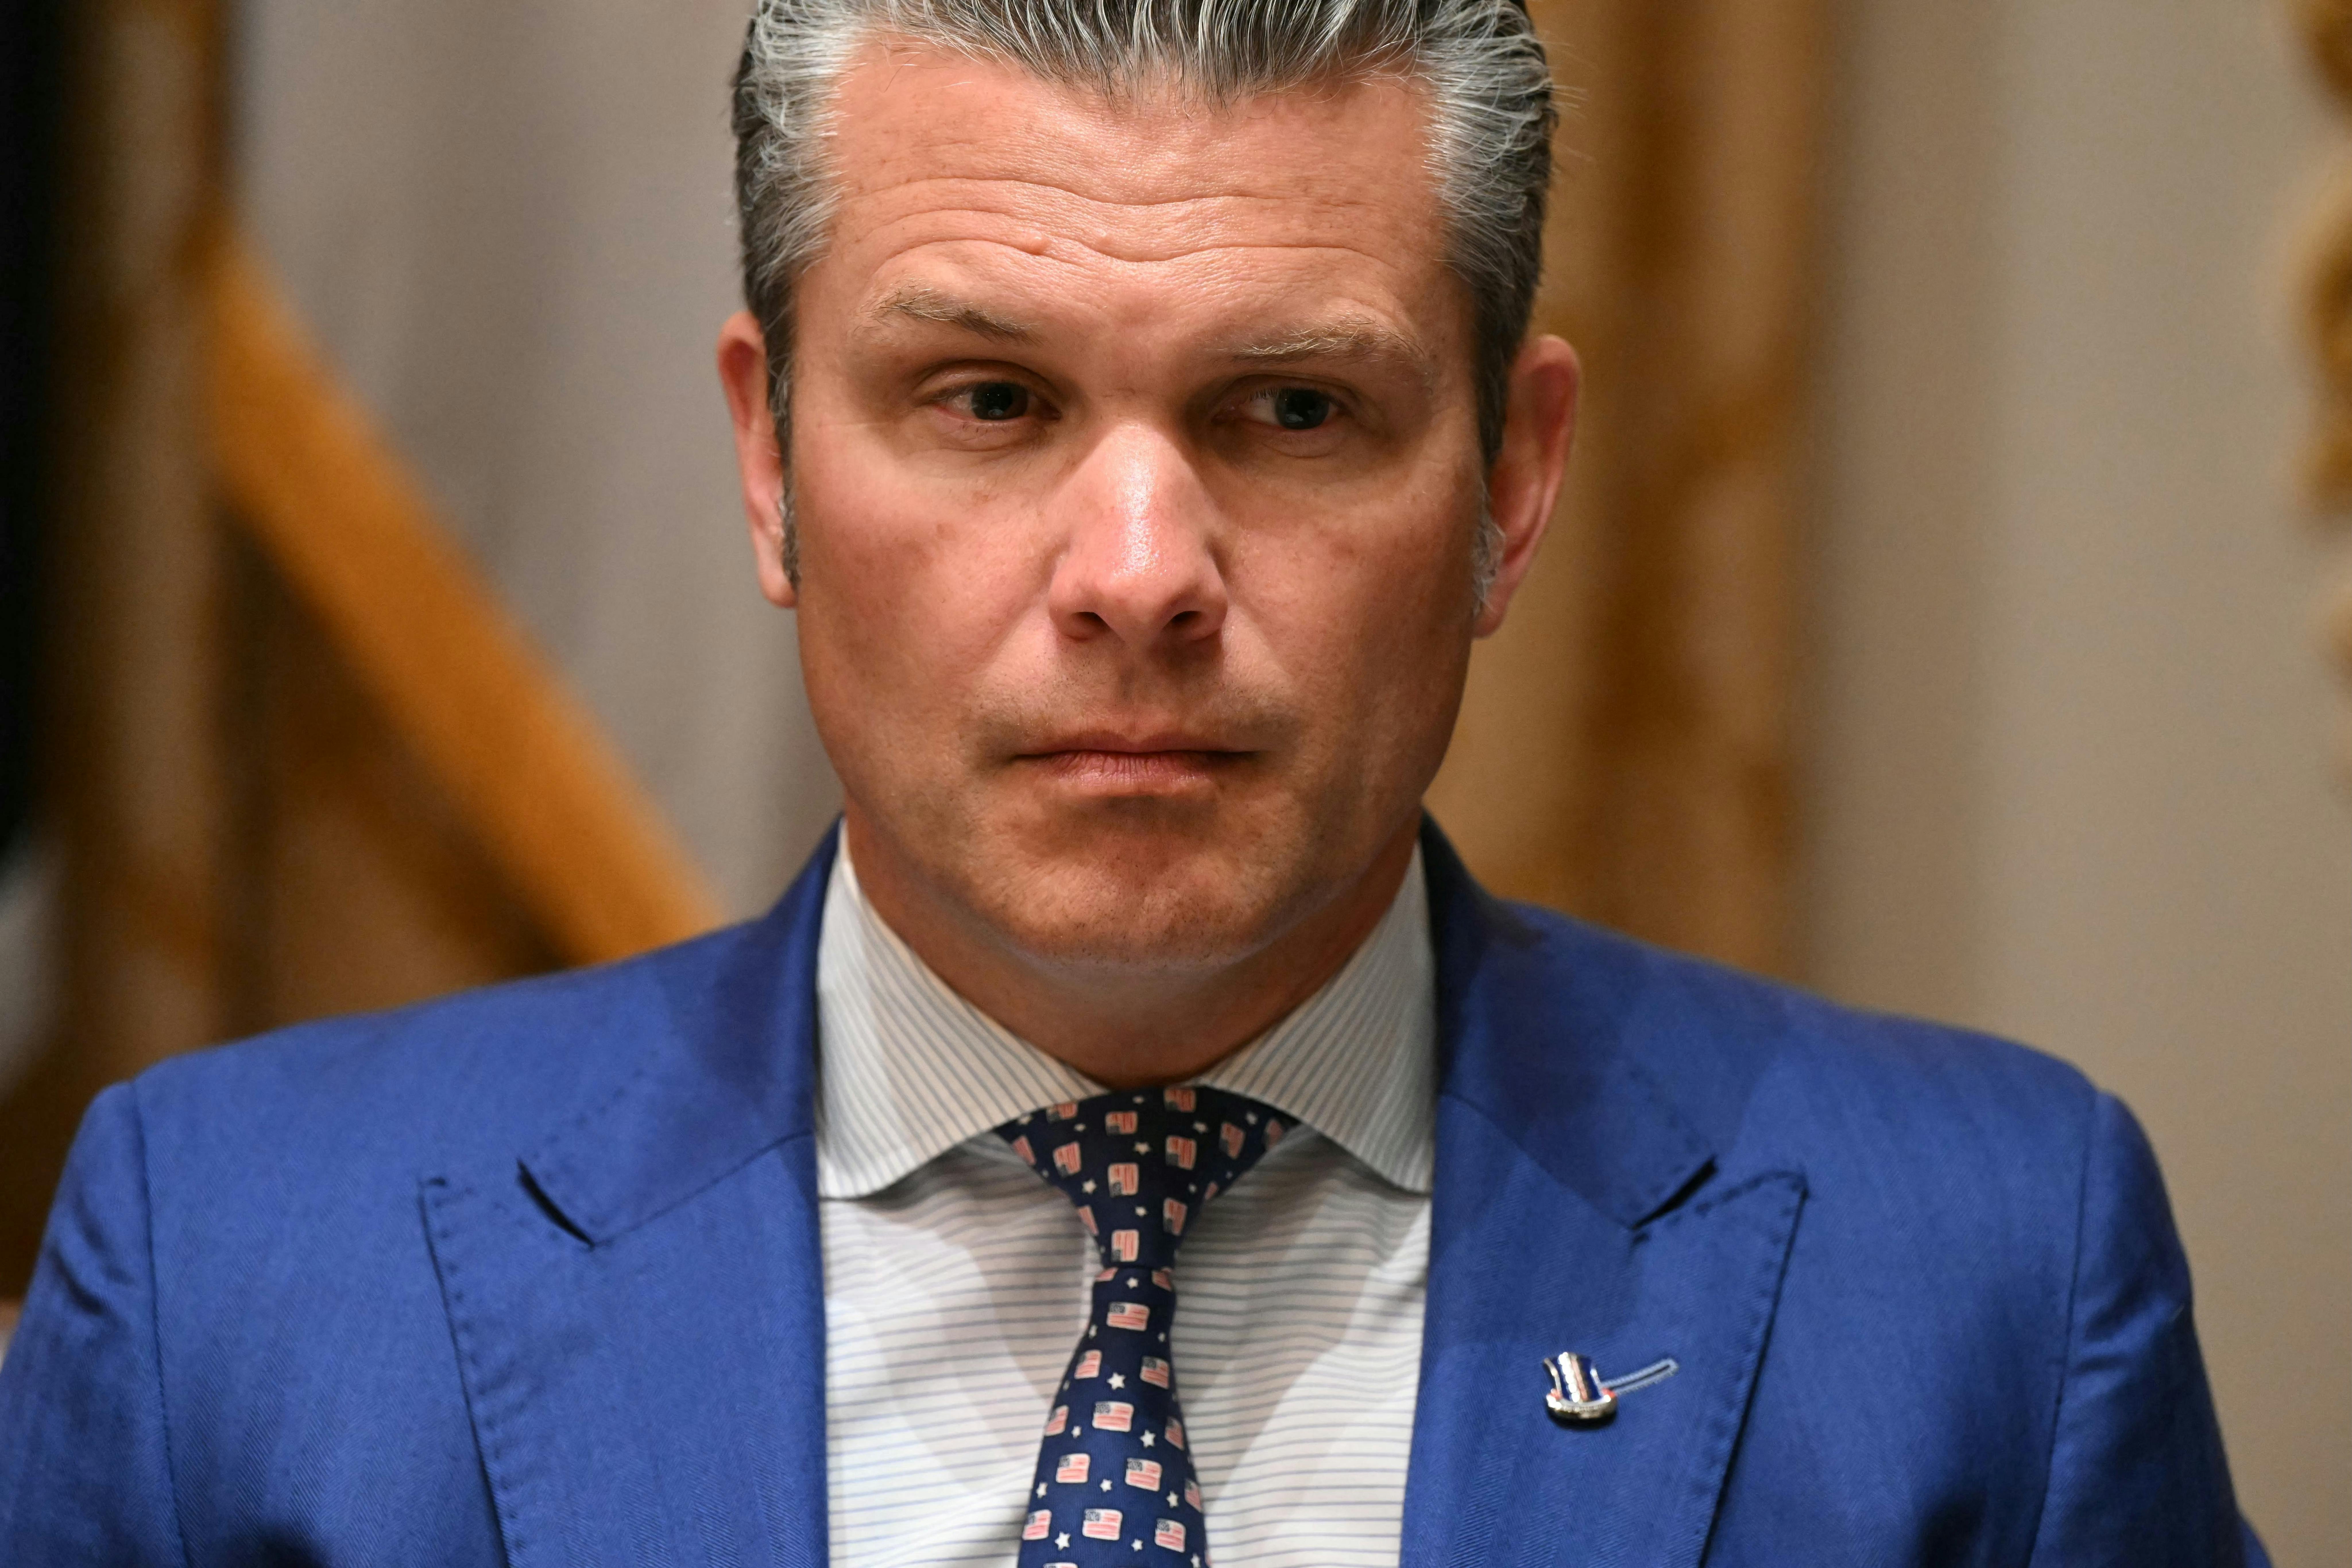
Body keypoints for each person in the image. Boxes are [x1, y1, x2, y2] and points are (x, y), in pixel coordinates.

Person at [0, 2, 2264, 1563]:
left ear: (1513, 483)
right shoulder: (235, 1287)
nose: (1140, 574)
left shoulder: (1982, 1279)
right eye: (987, 399)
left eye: (1293, 411)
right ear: (768, 462)